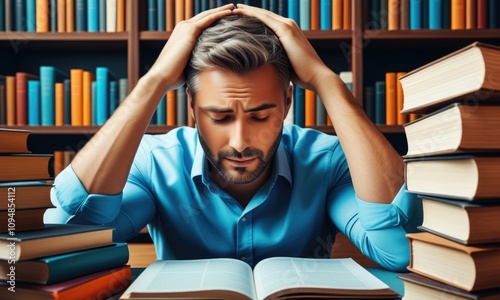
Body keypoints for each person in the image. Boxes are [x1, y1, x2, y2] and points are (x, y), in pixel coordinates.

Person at [46, 4, 422, 271]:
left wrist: (327, 82)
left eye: (260, 115)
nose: (240, 142)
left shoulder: (326, 160)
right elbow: (72, 232)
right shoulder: (154, 162)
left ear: (288, 101)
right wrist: (153, 83)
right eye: (220, 116)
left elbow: (397, 247)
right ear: (191, 106)